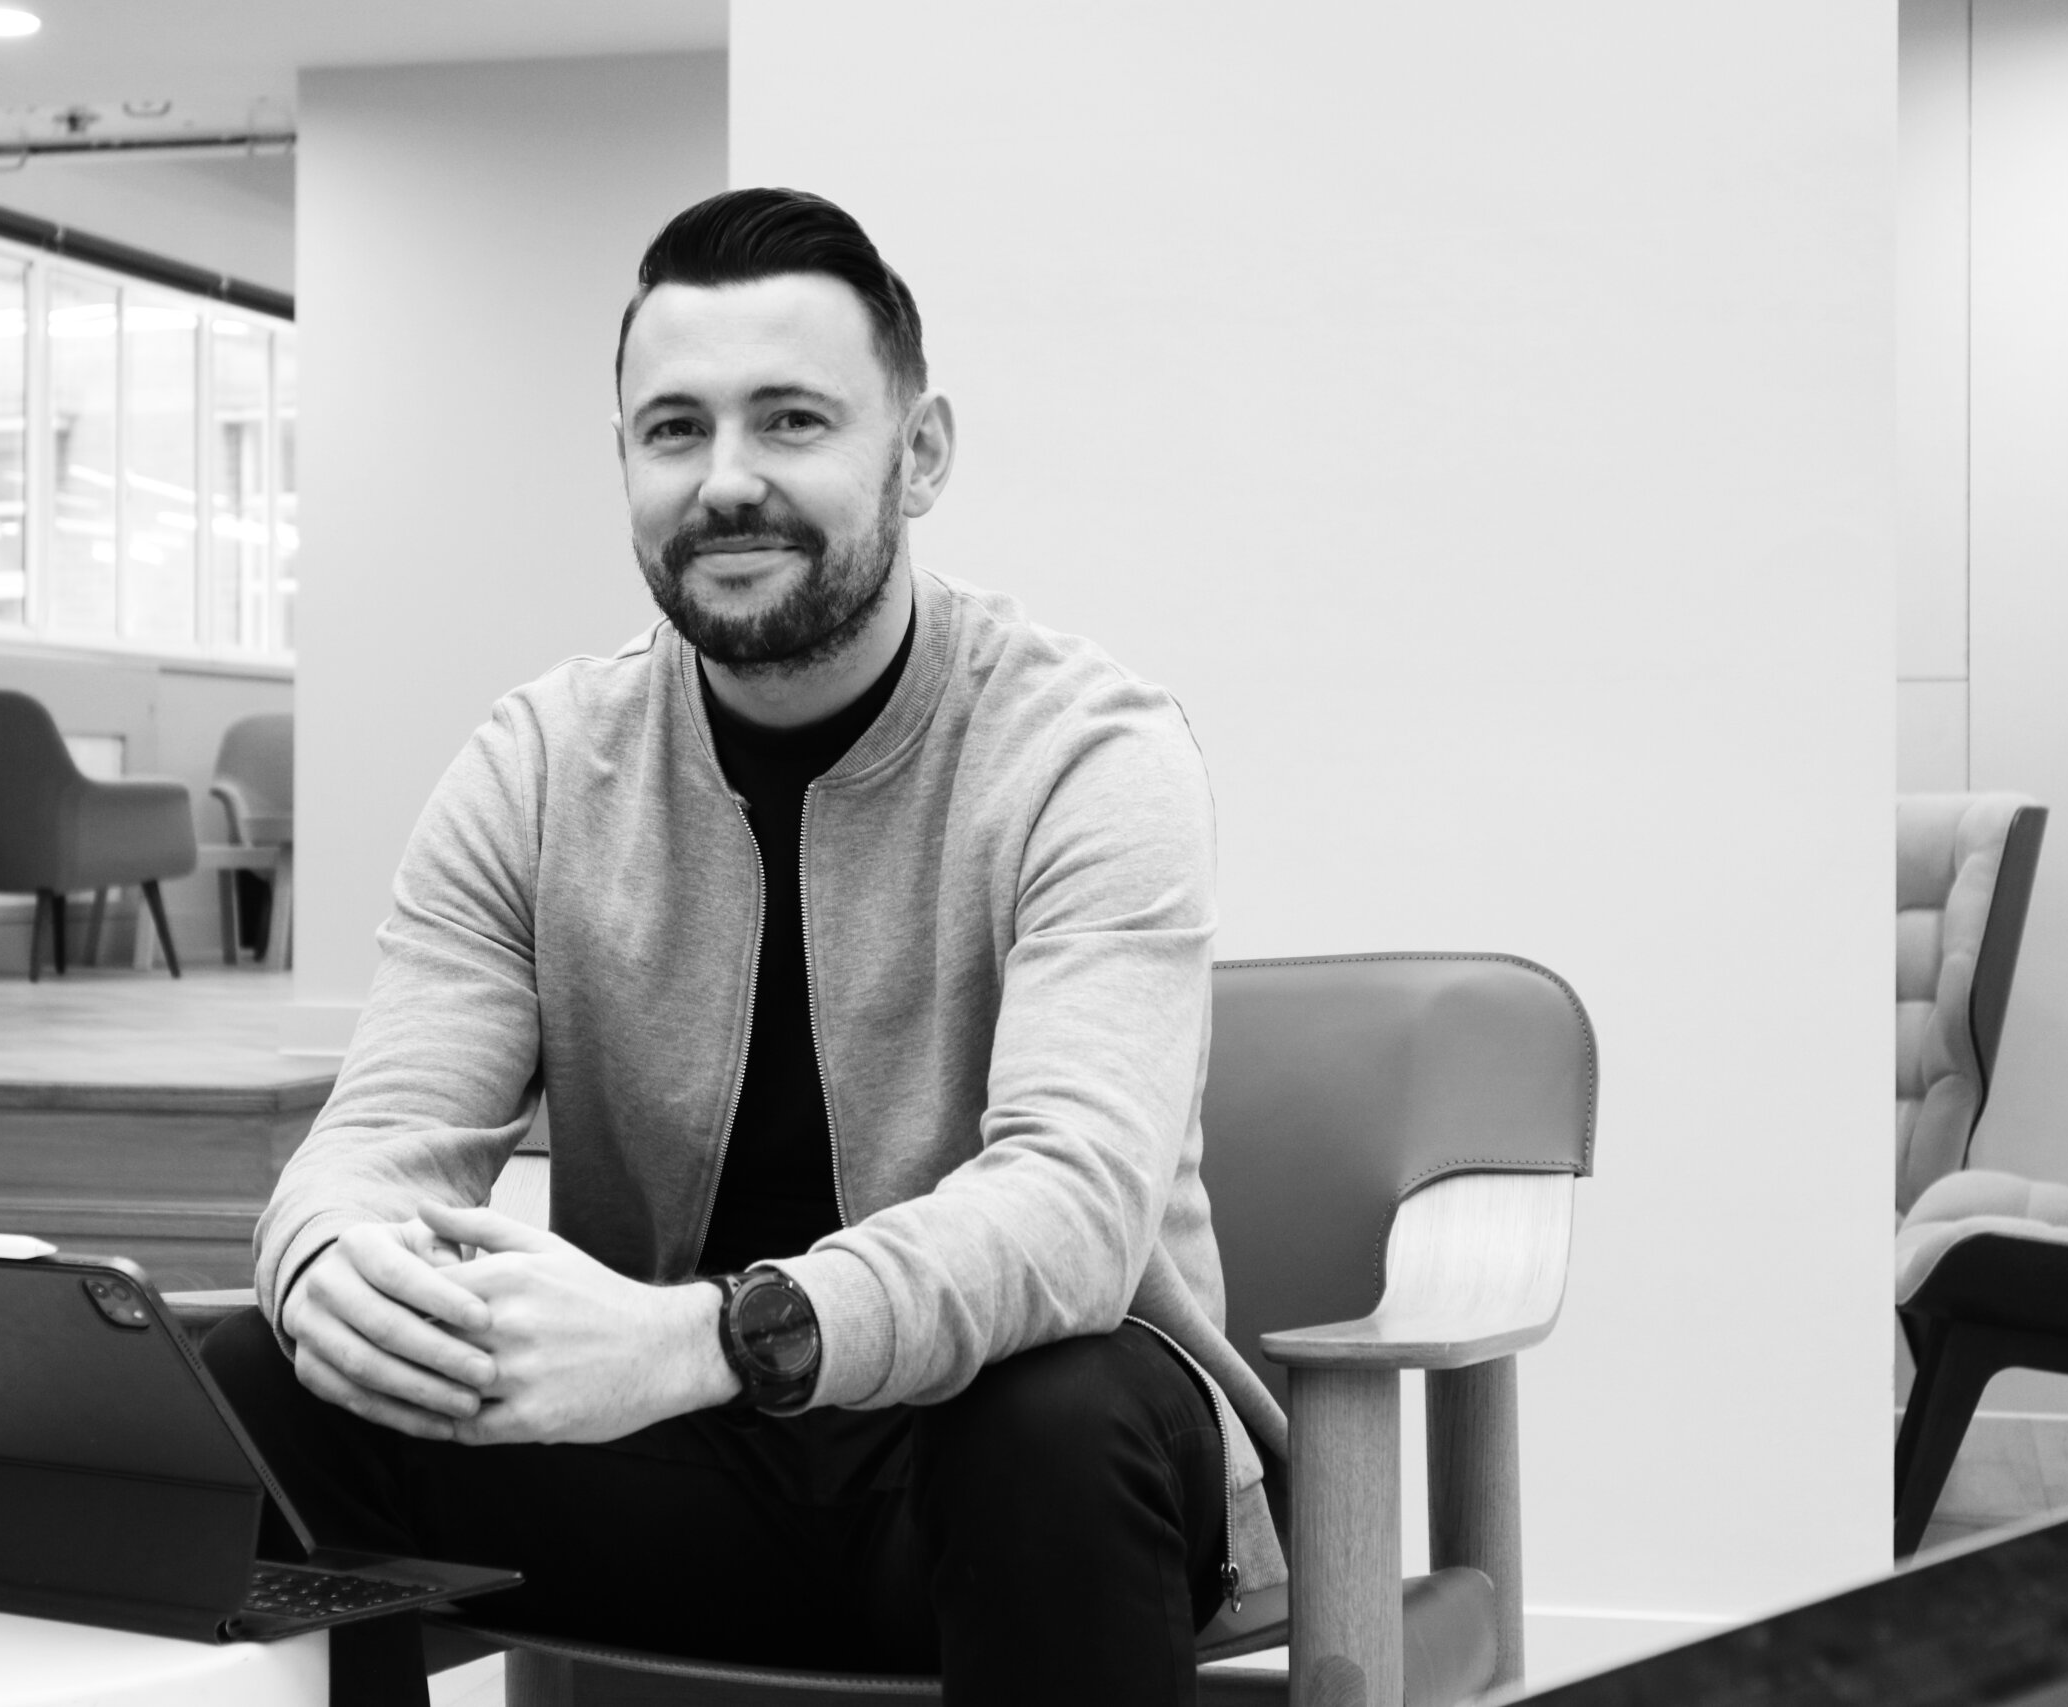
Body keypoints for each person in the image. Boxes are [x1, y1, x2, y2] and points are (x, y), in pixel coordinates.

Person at [203, 187, 1286, 1706]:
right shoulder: (539, 763)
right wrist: (330, 1262)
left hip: (1004, 1476)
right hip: (676, 1464)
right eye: (675, 430)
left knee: (1049, 1415)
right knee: (261, 1387)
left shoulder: (1087, 750)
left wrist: (712, 1337)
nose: (726, 481)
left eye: (790, 421)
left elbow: (1072, 1212)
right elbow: (379, 1136)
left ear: (919, 454)